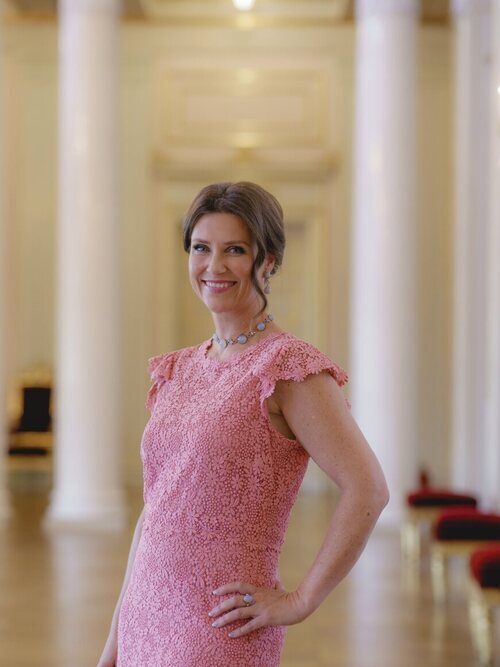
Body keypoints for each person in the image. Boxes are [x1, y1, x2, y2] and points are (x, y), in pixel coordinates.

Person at [97, 181, 389, 667]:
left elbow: (369, 489)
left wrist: (300, 601)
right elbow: (155, 512)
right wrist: (116, 637)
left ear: (268, 261)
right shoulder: (178, 368)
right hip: (145, 615)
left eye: (235, 250)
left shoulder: (288, 368)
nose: (214, 266)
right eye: (200, 248)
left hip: (220, 626)